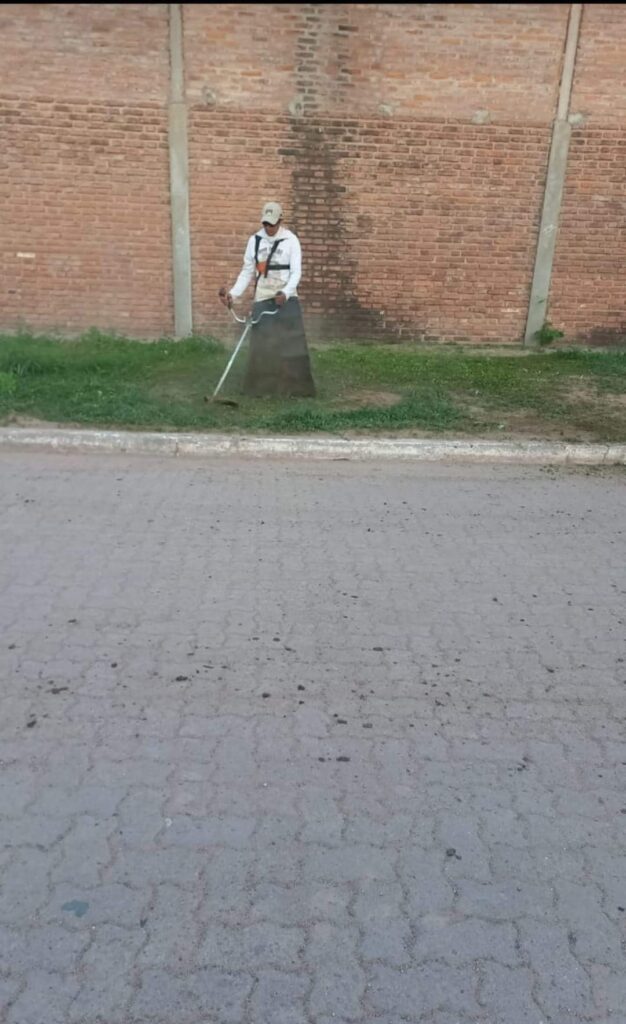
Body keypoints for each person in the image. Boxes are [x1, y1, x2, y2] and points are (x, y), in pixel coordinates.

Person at [219, 201, 316, 397]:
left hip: (285, 296)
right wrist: (233, 294)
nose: (268, 227)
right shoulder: (254, 240)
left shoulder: (291, 241)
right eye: (265, 223)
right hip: (263, 296)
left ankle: (296, 390)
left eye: (272, 224)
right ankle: (262, 389)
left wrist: (286, 293)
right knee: (262, 345)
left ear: (281, 220)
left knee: (292, 344)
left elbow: (296, 273)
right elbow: (247, 272)